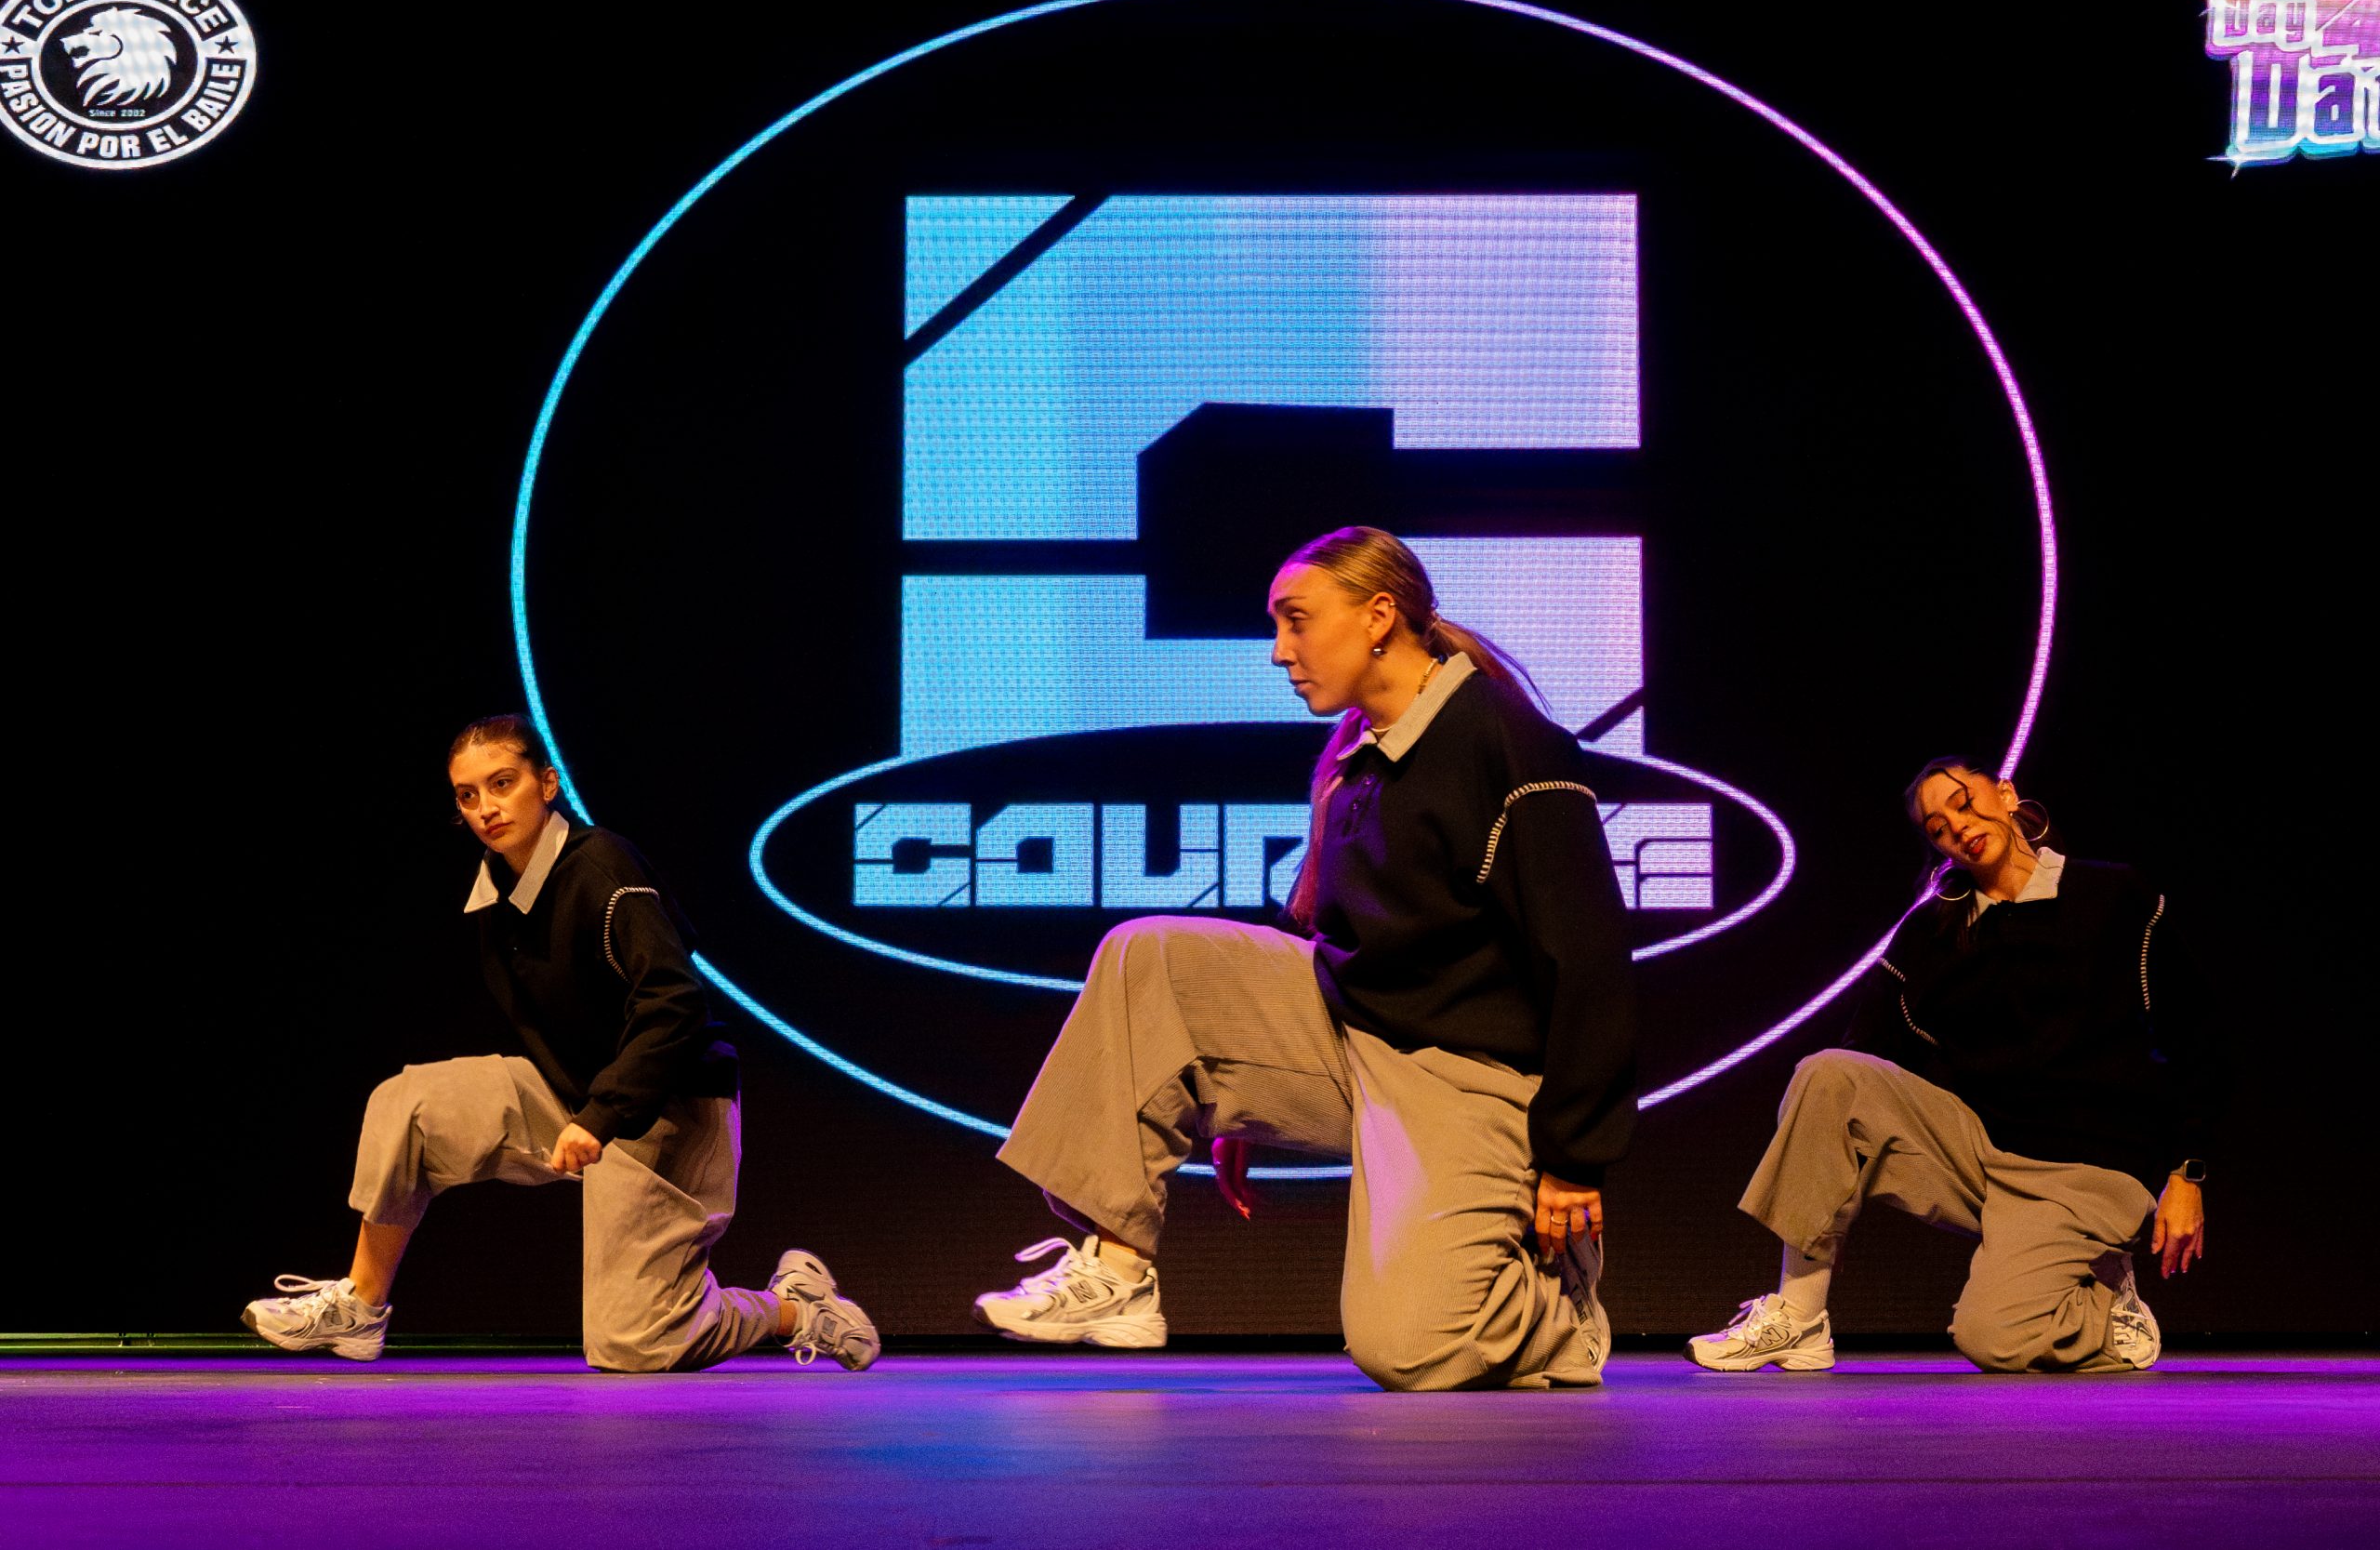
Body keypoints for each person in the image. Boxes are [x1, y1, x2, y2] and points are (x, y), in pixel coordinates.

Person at [972, 527, 1638, 1391]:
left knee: (1409, 1348)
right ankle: (1117, 1272)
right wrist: (1223, 1081)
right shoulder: (1358, 751)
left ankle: (1553, 1302)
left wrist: (1575, 1157)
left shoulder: (1508, 743)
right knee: (1148, 953)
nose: (1279, 651)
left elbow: (1589, 958)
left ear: (1379, 616)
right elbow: (1330, 937)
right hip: (1351, 1032)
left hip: (1466, 1072)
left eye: (1296, 620)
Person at [240, 714, 879, 1372]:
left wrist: (602, 1115)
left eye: (503, 783)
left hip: (670, 1109)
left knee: (632, 1344)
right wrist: (584, 1109)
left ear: (547, 783)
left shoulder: (603, 867)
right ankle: (360, 1306)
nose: (486, 807)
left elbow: (675, 1001)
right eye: (467, 794)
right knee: (409, 1104)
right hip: (574, 1092)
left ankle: (795, 1308)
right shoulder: (496, 886)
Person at [1689, 757, 2215, 1374]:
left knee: (1990, 1339)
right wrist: (1829, 1161)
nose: (1958, 827)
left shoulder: (2114, 897)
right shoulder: (1934, 933)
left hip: (2089, 1171)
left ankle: (2106, 1294)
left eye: (1964, 803)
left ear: (2007, 794)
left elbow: (2196, 1036)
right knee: (1829, 1074)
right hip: (1986, 1157)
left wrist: (2188, 1171)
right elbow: (1865, 1050)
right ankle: (1800, 1316)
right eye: (1938, 827)